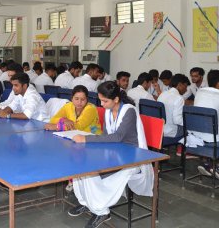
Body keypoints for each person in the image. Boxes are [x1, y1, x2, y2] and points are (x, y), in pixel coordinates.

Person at [70, 81, 153, 228]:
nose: (101, 104)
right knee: (80, 164)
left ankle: (101, 211)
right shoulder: (109, 110)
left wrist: (86, 139)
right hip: (115, 152)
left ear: (116, 99)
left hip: (132, 156)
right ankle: (87, 203)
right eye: (100, 100)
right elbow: (108, 135)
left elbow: (118, 137)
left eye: (104, 101)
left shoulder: (129, 111)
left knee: (91, 172)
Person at [193, 69, 219, 179]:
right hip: (214, 140)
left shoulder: (200, 91)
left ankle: (205, 162)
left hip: (197, 138)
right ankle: (218, 166)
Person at [157, 74, 190, 156]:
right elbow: (177, 120)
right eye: (185, 86)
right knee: (191, 131)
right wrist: (190, 124)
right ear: (179, 85)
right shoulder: (179, 98)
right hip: (171, 133)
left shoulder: (163, 94)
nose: (186, 90)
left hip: (160, 131)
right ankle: (185, 152)